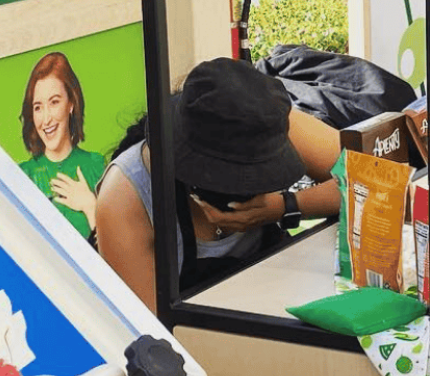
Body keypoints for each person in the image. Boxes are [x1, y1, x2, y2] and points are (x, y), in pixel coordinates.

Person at [95, 58, 341, 312]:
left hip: (282, 300)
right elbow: (154, 333)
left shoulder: (264, 125)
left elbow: (373, 182)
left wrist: (284, 206)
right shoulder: (125, 198)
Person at [17, 51, 106, 239]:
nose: (46, 118)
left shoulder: (97, 166)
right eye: (38, 107)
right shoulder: (22, 176)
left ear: (71, 103)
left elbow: (115, 254)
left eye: (54, 102)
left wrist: (90, 206)